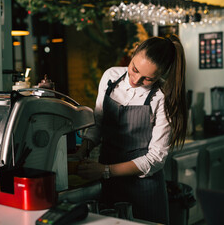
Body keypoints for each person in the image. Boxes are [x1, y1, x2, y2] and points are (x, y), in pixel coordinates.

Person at [75, 35, 188, 224]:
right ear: (134, 52)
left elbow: (156, 159)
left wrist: (105, 170)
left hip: (144, 188)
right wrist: (84, 148)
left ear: (159, 76)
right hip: (108, 183)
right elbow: (99, 123)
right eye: (134, 69)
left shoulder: (162, 97)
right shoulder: (110, 77)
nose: (136, 80)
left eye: (147, 79)